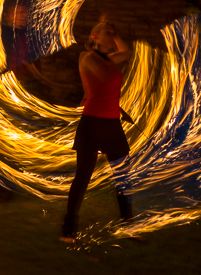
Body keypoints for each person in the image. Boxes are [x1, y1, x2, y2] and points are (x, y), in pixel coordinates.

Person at [61, 21, 133, 241]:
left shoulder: (109, 59)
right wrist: (100, 47)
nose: (112, 37)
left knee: (123, 177)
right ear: (95, 36)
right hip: (92, 125)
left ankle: (129, 227)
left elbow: (127, 52)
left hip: (112, 124)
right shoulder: (87, 58)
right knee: (82, 177)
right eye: (107, 33)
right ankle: (68, 231)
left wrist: (118, 108)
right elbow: (101, 77)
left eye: (114, 33)